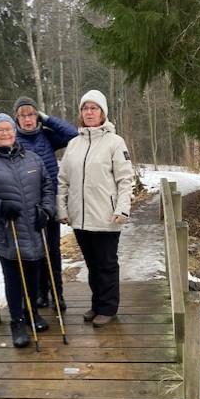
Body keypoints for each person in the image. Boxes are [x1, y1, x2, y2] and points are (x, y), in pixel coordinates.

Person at [0, 113, 55, 348]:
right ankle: (17, 322)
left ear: (15, 132)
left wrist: (47, 210)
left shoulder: (33, 158)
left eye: (9, 129)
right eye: (0, 130)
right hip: (8, 232)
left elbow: (47, 187)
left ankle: (32, 313)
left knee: (33, 275)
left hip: (34, 228)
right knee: (14, 278)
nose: (6, 133)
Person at [57, 90, 133, 327]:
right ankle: (97, 303)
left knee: (106, 264)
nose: (89, 112)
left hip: (106, 216)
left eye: (94, 108)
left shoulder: (115, 142)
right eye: (85, 108)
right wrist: (62, 208)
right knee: (91, 264)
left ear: (103, 113)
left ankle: (108, 308)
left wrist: (122, 208)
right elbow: (63, 180)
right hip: (80, 217)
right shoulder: (73, 144)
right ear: (81, 113)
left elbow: (125, 179)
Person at [13, 96, 78, 311]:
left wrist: (48, 119)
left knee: (52, 249)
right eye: (22, 115)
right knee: (34, 250)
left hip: (50, 201)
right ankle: (40, 294)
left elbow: (72, 135)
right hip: (27, 205)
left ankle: (57, 295)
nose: (27, 119)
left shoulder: (46, 135)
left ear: (37, 116)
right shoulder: (12, 140)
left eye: (31, 114)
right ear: (16, 119)